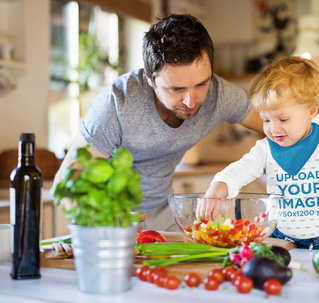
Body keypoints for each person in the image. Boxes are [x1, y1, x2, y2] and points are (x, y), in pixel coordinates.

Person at [52, 14, 263, 231]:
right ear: (150, 79)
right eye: (176, 89)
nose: (191, 101)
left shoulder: (220, 94)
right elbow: (67, 182)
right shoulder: (117, 104)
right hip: (110, 220)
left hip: (165, 219)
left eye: (201, 84)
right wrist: (99, 226)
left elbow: (276, 126)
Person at [198, 56, 319, 249]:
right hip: (281, 239)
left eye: (283, 119)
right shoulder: (265, 149)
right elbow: (239, 171)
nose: (273, 129)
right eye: (266, 120)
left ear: (311, 111)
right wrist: (218, 187)